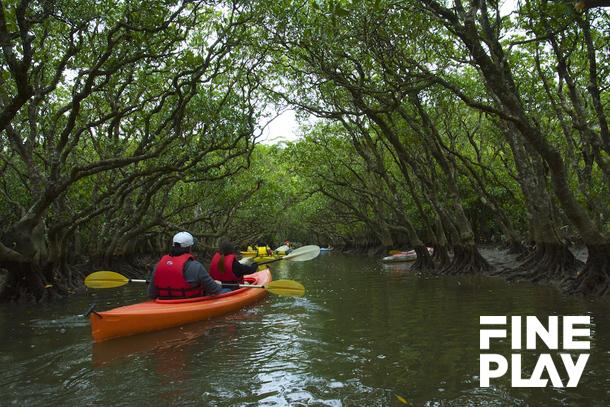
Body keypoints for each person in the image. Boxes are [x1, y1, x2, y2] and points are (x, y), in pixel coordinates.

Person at [148, 231, 227, 299]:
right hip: (189, 302)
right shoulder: (196, 267)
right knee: (228, 290)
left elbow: (151, 294)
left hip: (164, 302)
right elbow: (215, 290)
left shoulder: (158, 265)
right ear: (190, 248)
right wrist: (218, 284)